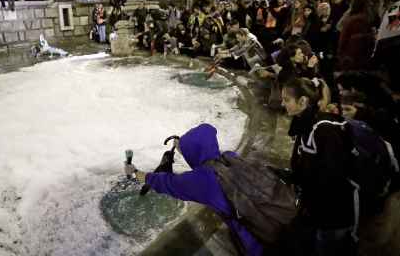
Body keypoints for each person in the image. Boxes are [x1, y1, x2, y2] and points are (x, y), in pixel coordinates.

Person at [124, 124, 264, 255]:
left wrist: (135, 171)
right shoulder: (230, 157)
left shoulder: (202, 181)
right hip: (273, 223)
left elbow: (164, 182)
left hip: (256, 244)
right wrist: (182, 146)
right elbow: (204, 152)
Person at [281, 77, 359, 256]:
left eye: (286, 99)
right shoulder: (304, 125)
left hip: (334, 214)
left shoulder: (325, 130)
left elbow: (333, 177)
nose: (282, 103)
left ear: (302, 101)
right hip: (315, 209)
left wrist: (303, 183)